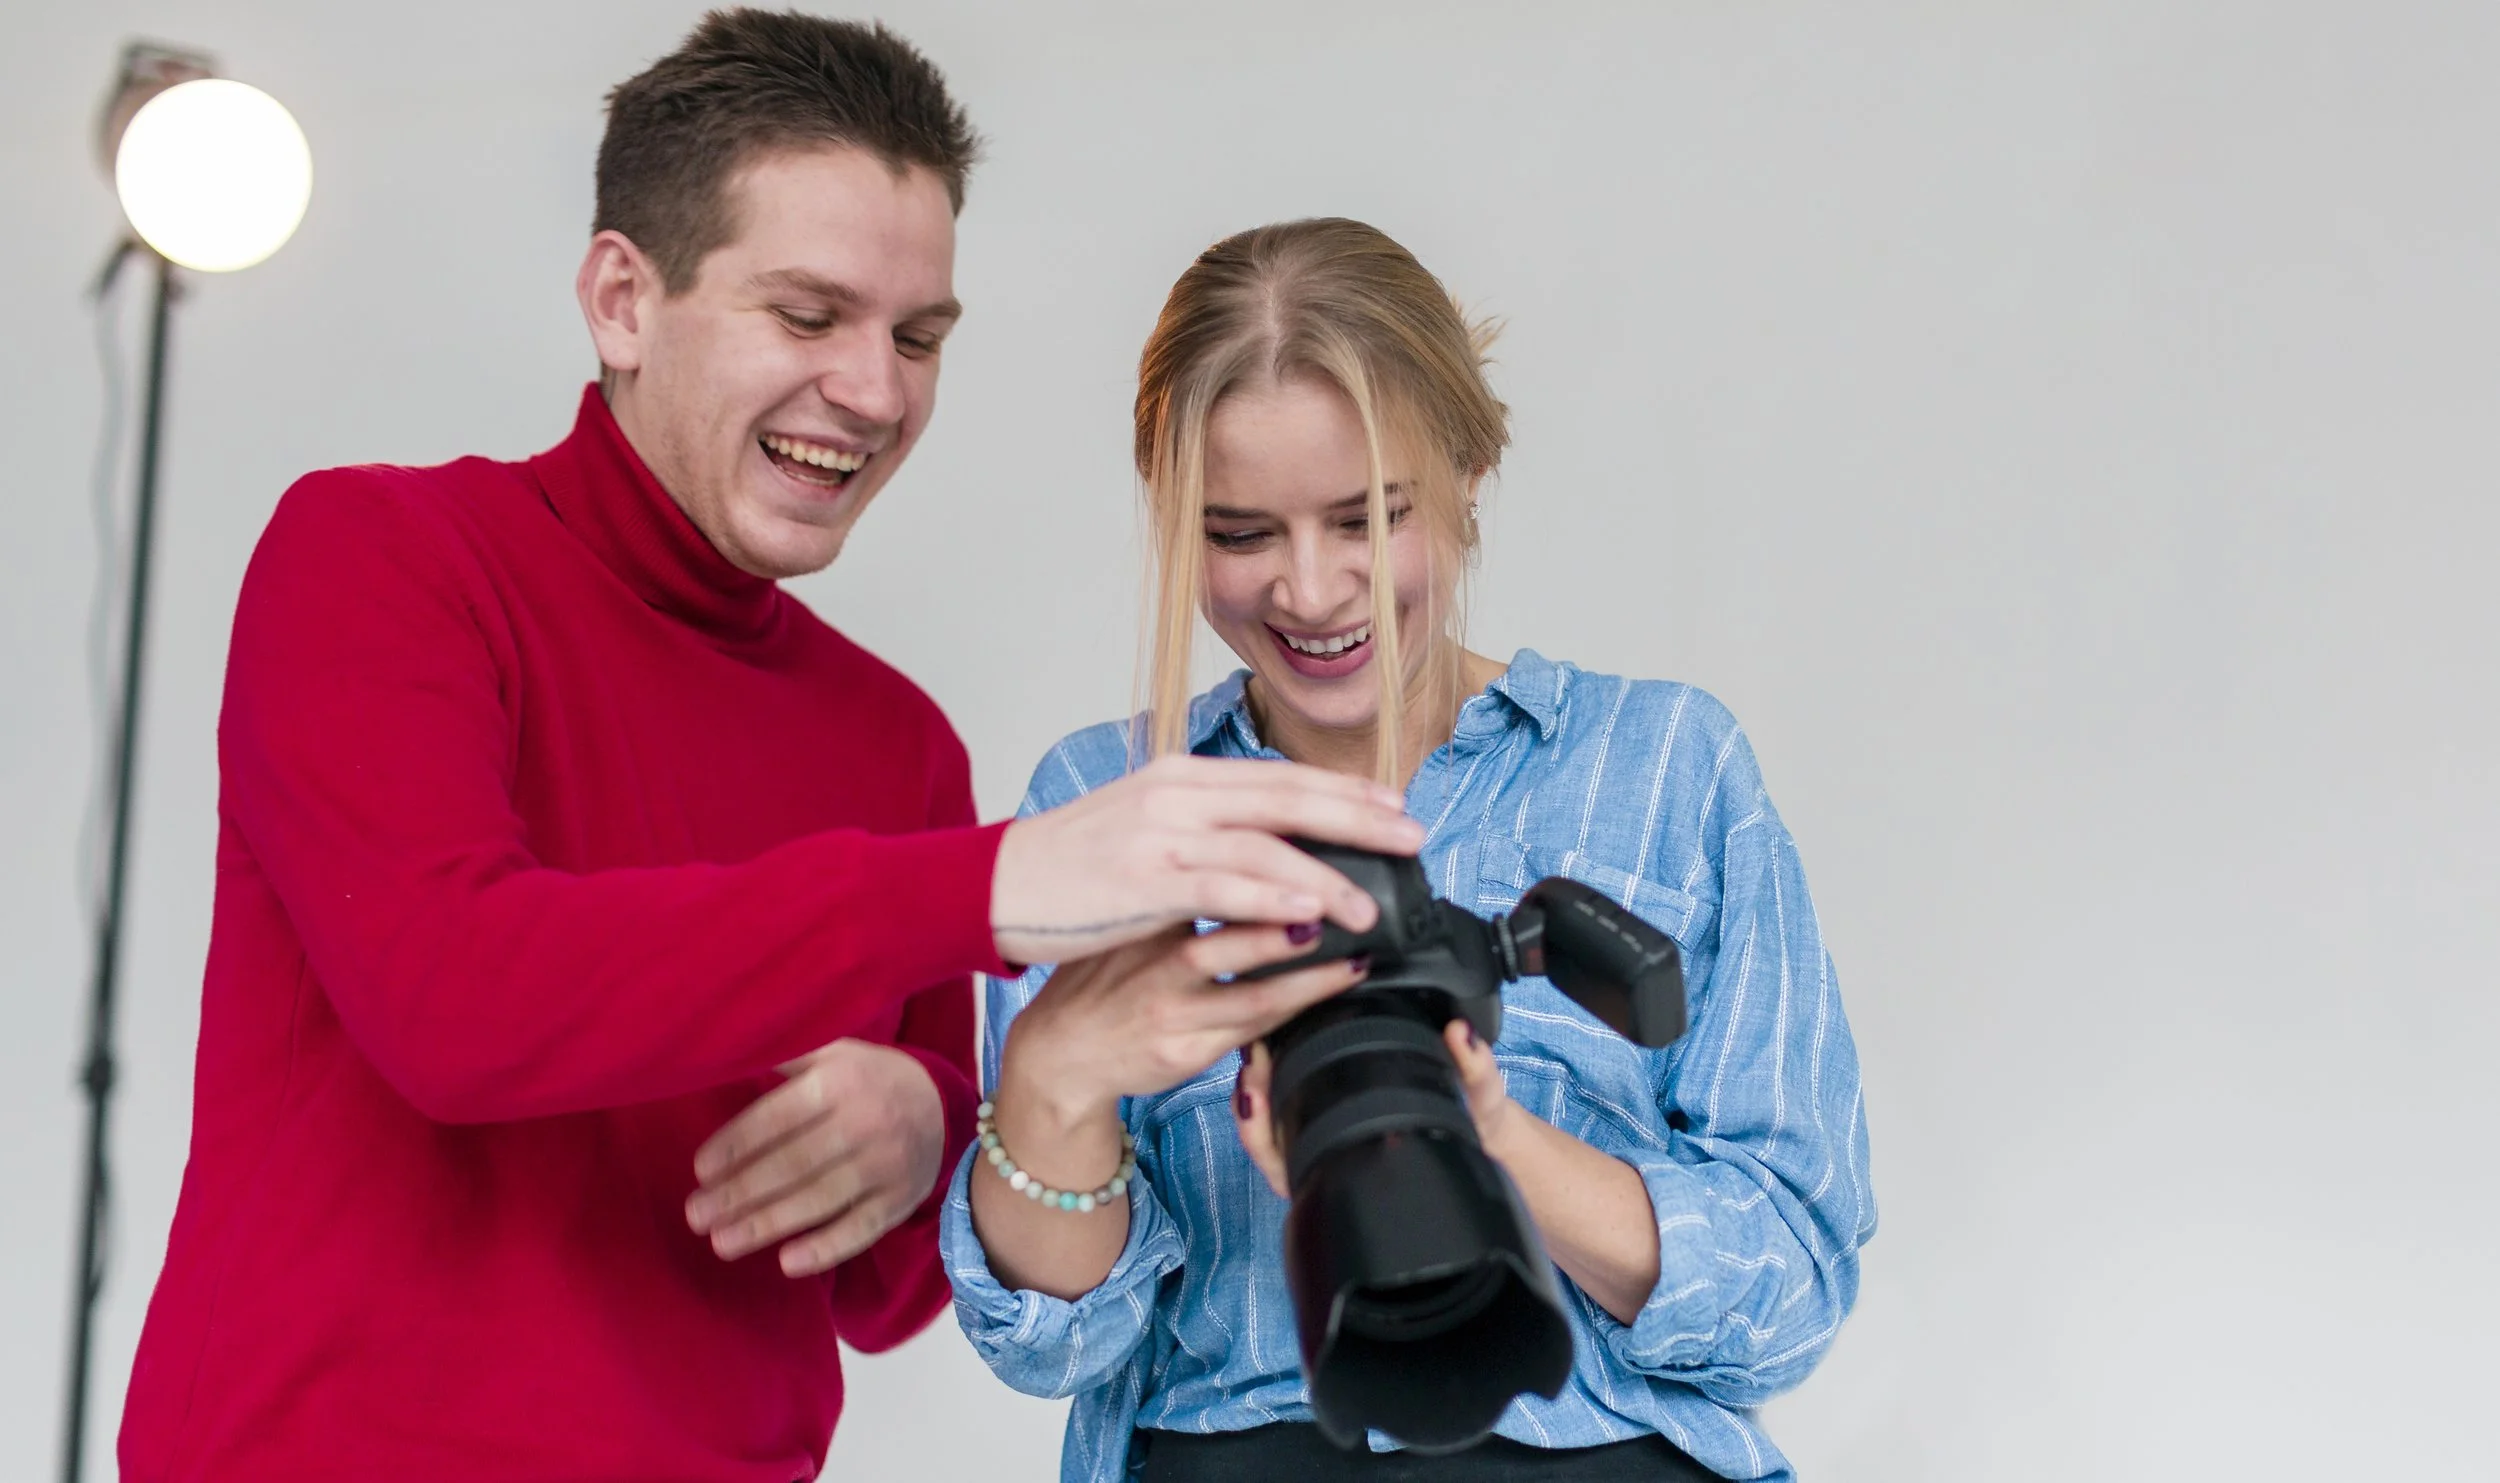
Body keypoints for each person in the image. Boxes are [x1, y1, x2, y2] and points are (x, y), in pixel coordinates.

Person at [117, 18, 1422, 1483]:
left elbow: (885, 1298)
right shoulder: (380, 558)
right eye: (810, 317)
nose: (875, 391)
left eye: (918, 336)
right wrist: (986, 884)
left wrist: (925, 1120)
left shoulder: (894, 743)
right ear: (622, 297)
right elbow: (449, 997)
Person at [941, 218, 1877, 1483]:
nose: (1312, 592)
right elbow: (1056, 1342)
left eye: (1368, 518)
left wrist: (1476, 1127)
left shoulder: (1664, 765)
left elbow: (1792, 1289)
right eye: (1239, 534)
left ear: (1470, 470)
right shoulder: (1107, 800)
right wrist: (1055, 1075)